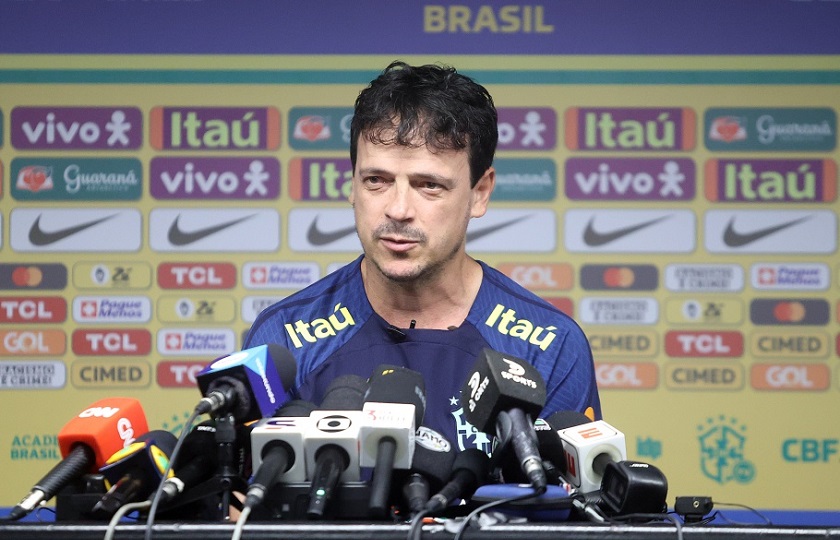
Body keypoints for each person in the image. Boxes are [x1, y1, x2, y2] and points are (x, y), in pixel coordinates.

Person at [244, 60, 601, 454]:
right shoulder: (282, 339)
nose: (398, 209)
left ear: (480, 192)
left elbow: (566, 510)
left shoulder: (551, 346)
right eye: (376, 181)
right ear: (352, 184)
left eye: (428, 185)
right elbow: (248, 506)